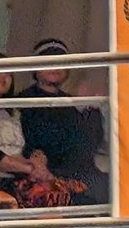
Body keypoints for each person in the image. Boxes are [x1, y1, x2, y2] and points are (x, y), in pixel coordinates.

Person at [17, 38, 107, 204]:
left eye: (60, 62)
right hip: (46, 175)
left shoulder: (72, 103)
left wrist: (91, 109)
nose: (55, 67)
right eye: (48, 61)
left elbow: (91, 142)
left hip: (82, 173)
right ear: (35, 67)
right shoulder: (22, 101)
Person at [0, 54, 53, 196]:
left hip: (27, 178)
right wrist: (30, 170)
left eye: (8, 73)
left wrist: (39, 163)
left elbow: (33, 144)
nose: (3, 77)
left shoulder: (17, 112)